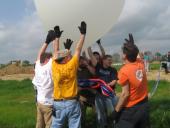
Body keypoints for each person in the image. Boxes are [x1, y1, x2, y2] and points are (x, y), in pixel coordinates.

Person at [51, 21, 86, 128]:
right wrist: (83, 34)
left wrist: (57, 37)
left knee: (56, 125)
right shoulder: (72, 65)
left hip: (58, 103)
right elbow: (78, 49)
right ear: (67, 58)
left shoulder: (54, 65)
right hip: (72, 102)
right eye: (68, 55)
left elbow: (55, 51)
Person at [112, 34, 150, 128]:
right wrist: (132, 45)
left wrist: (116, 111)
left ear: (125, 55)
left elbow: (125, 94)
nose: (121, 53)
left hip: (130, 110)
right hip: (144, 105)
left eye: (122, 52)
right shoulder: (140, 63)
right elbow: (136, 54)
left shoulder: (124, 71)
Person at [88, 47, 118, 128]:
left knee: (113, 111)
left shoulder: (113, 70)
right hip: (99, 94)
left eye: (111, 60)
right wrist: (88, 45)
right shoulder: (98, 67)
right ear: (103, 60)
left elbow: (114, 81)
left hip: (110, 94)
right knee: (100, 113)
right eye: (109, 60)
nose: (110, 61)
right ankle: (102, 125)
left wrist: (107, 85)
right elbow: (90, 55)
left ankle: (114, 125)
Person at [32, 30, 55, 128]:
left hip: (39, 102)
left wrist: (47, 41)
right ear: (47, 60)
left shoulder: (38, 66)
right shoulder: (49, 66)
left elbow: (39, 55)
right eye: (50, 58)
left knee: (39, 124)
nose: (51, 59)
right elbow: (56, 55)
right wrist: (55, 39)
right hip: (48, 104)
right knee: (49, 125)